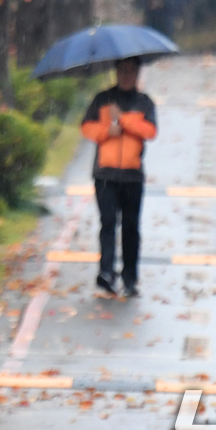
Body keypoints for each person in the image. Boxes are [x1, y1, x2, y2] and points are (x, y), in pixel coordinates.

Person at [80, 57, 158, 298]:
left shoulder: (144, 102)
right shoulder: (102, 99)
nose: (126, 75)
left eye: (131, 71)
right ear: (116, 72)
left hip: (132, 175)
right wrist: (107, 131)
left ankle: (130, 276)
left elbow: (150, 131)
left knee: (131, 227)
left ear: (137, 74)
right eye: (122, 71)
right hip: (105, 174)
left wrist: (123, 119)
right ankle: (106, 272)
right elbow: (86, 127)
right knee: (108, 224)